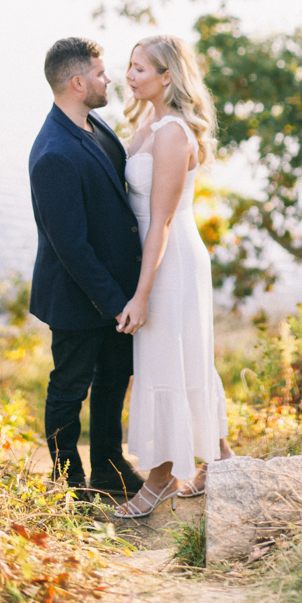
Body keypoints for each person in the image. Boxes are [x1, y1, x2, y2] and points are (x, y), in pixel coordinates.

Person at [114, 35, 233, 519]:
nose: (130, 75)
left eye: (140, 68)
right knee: (181, 358)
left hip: (170, 260)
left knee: (167, 361)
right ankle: (220, 461)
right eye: (129, 66)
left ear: (167, 76)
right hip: (156, 255)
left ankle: (161, 480)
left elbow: (159, 220)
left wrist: (141, 296)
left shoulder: (172, 133)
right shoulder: (149, 121)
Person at [29, 37, 144, 498]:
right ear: (77, 82)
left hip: (115, 291)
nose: (108, 79)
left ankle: (109, 467)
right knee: (69, 389)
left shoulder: (95, 125)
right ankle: (69, 483)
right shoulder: (54, 153)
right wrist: (117, 303)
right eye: (100, 74)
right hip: (80, 297)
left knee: (114, 381)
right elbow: (71, 247)